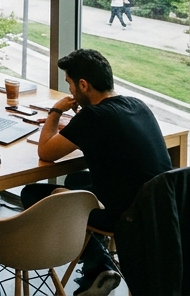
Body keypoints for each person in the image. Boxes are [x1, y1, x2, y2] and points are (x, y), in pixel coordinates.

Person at [24, 49, 170, 295]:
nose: (69, 91)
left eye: (70, 84)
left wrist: (55, 111)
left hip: (128, 219)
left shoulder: (94, 116)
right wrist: (75, 128)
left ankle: (99, 264)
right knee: (76, 179)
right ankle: (97, 268)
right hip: (159, 208)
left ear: (83, 84)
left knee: (33, 193)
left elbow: (46, 152)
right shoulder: (136, 104)